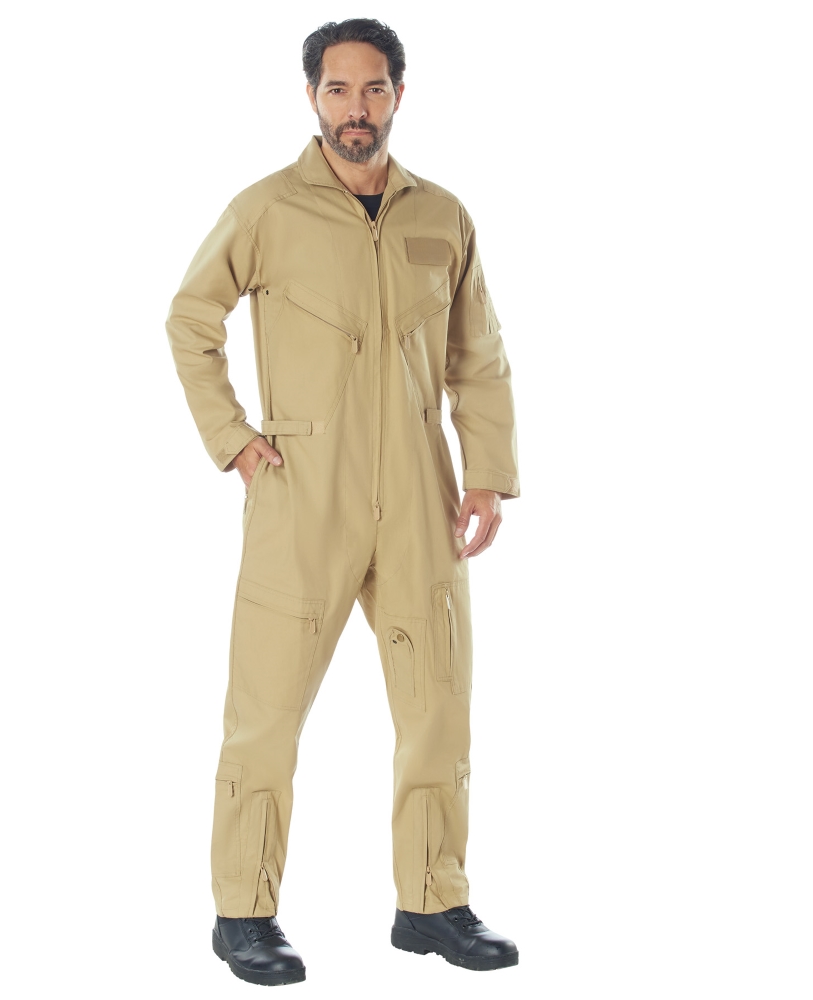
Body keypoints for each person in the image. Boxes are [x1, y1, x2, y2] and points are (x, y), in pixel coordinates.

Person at [165, 18, 520, 987]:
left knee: (438, 706)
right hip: (301, 493)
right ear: (311, 98)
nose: (355, 108)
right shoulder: (266, 209)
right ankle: (243, 913)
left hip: (419, 493)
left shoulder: (442, 216)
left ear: (399, 94)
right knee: (266, 714)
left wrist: (486, 473)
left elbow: (478, 354)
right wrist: (234, 438)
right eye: (337, 89)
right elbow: (190, 318)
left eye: (372, 89)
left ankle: (431, 900)